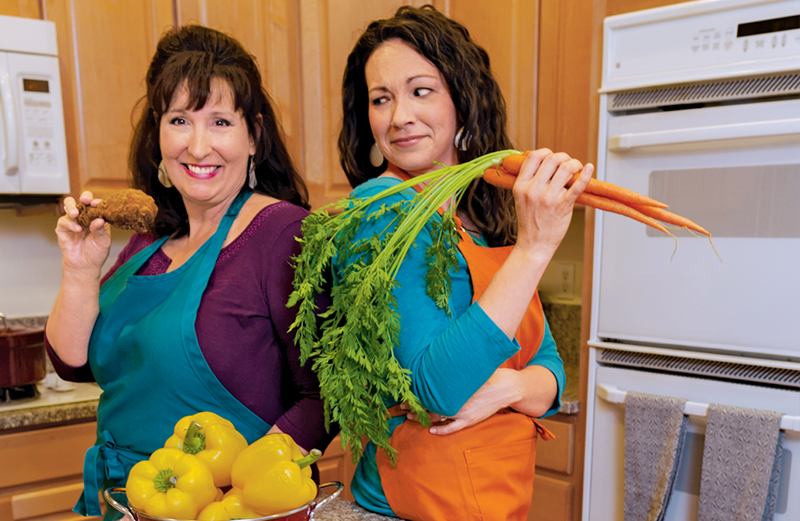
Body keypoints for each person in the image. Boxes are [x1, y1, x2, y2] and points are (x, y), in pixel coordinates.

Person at [45, 25, 335, 518]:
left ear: (253, 136)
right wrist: (79, 270)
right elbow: (72, 364)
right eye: (180, 120)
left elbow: (323, 395)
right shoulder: (151, 238)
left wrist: (243, 496)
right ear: (158, 133)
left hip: (220, 509)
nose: (198, 147)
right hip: (123, 502)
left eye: (220, 122)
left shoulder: (284, 233)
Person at [333, 5, 593, 520]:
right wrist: (534, 249)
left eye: (420, 91)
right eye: (381, 99)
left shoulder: (482, 213)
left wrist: (507, 387)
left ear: (462, 100)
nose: (399, 116)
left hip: (497, 502)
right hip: (407, 508)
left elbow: (550, 374)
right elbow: (437, 390)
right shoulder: (381, 211)